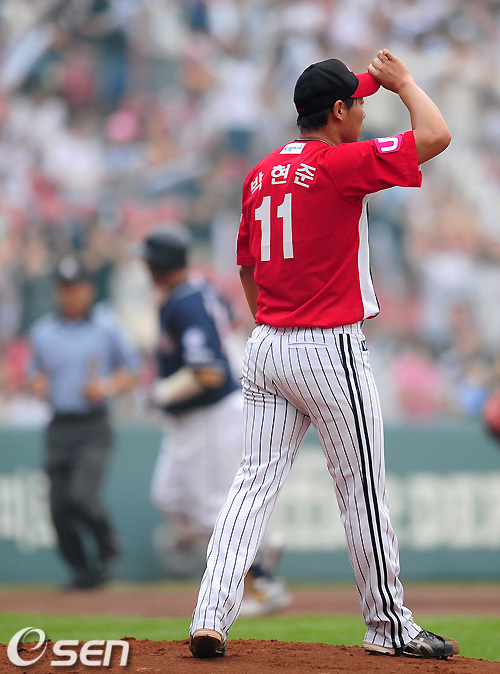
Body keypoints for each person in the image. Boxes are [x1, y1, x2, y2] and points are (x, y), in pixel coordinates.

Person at [189, 49, 459, 659]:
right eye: (359, 103)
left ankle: (210, 614)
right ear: (337, 111)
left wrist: (274, 323)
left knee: (251, 486)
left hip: (266, 346)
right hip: (327, 347)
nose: (364, 112)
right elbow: (436, 135)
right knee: (361, 489)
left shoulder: (259, 173)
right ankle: (388, 626)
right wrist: (406, 83)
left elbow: (247, 269)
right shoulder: (339, 164)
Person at [141, 227, 291, 615]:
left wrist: (160, 393)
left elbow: (208, 372)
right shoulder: (200, 290)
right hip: (200, 416)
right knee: (168, 496)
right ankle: (259, 544)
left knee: (211, 510)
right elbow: (231, 325)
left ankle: (263, 580)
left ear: (158, 265)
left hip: (210, 415)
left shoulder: (184, 302)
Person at [27, 254, 140, 589]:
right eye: (65, 288)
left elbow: (132, 370)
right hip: (59, 425)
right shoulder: (43, 332)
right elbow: (33, 374)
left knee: (80, 496)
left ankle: (108, 548)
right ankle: (81, 570)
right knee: (57, 508)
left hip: (93, 425)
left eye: (76, 287)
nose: (71, 294)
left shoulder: (107, 326)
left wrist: (106, 387)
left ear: (88, 289)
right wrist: (36, 384)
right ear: (57, 292)